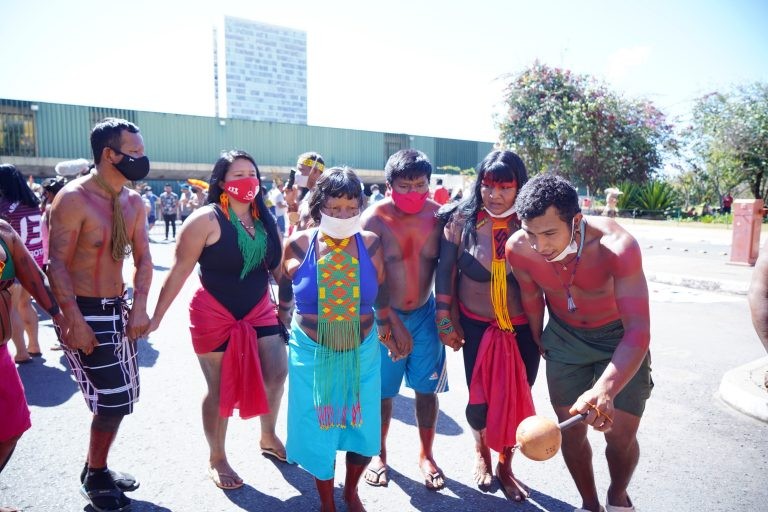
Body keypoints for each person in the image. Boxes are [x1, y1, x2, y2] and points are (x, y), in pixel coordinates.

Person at [506, 174, 652, 512]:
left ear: (575, 221)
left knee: (620, 436)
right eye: (530, 233)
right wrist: (539, 336)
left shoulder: (617, 246)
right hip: (563, 337)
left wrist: (606, 389)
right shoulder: (519, 248)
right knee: (569, 431)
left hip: (619, 339)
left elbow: (638, 330)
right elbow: (531, 296)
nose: (539, 246)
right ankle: (589, 504)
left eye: (549, 234)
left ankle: (617, 495)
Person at [148, 150, 286, 490]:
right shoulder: (204, 220)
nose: (247, 181)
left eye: (251, 174)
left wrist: (288, 305)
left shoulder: (265, 219)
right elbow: (179, 271)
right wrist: (155, 318)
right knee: (220, 388)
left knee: (277, 373)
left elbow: (279, 270)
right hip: (214, 313)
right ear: (222, 183)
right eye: (238, 175)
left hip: (259, 309)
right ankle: (217, 457)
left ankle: (268, 436)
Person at [278, 166, 410, 512]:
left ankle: (350, 493)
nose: (343, 215)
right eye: (334, 208)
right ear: (318, 206)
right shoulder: (298, 244)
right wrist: (280, 319)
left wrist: (388, 328)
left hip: (361, 352)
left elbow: (381, 290)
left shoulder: (371, 243)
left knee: (361, 428)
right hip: (311, 354)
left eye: (351, 208)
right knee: (319, 429)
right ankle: (327, 502)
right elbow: (285, 287)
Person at [47, 117, 152, 512]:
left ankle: (98, 465)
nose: (142, 159)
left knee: (123, 397)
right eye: (134, 152)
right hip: (85, 309)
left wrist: (139, 307)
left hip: (117, 308)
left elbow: (144, 259)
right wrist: (73, 320)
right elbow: (56, 264)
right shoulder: (73, 198)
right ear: (110, 154)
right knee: (112, 401)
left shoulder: (134, 202)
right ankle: (95, 474)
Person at [434, 150, 538, 501]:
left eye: (505, 188)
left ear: (519, 187)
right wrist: (445, 319)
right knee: (479, 403)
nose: (494, 195)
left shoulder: (534, 222)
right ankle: (481, 452)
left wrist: (548, 335)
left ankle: (506, 466)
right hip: (476, 328)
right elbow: (445, 271)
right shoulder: (460, 221)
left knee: (514, 402)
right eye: (487, 186)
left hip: (522, 331)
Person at [361, 149, 448, 490]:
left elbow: (449, 269)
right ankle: (379, 454)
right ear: (389, 186)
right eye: (405, 186)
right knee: (383, 393)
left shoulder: (440, 217)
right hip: (384, 314)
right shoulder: (374, 219)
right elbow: (368, 278)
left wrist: (447, 317)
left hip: (426, 314)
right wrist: (387, 321)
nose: (414, 192)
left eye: (420, 184)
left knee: (427, 390)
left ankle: (426, 455)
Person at [0, 216, 65, 512]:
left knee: (12, 427)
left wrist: (61, 317)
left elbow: (33, 277)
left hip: (1, 353)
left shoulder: (3, 230)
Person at [0, 164, 45, 363]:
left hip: (14, 264)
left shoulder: (4, 206)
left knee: (11, 308)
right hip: (35, 261)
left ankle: (21, 353)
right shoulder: (32, 202)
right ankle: (34, 345)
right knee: (25, 304)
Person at [283, 151, 325, 231]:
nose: (297, 174)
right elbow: (295, 223)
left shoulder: (324, 198)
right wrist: (291, 202)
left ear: (315, 171)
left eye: (301, 170)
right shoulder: (308, 195)